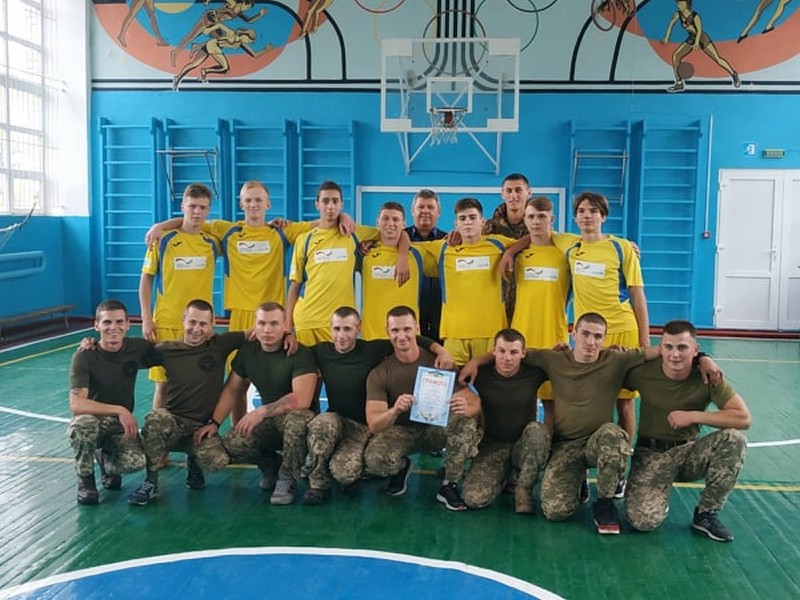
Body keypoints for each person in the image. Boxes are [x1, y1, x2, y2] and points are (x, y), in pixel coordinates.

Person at [304, 306, 454, 504]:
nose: (341, 335)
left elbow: (410, 338)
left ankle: (358, 469)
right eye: (337, 328)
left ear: (358, 328)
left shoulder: (372, 350)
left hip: (363, 427)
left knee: (344, 473)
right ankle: (318, 484)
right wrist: (288, 336)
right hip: (336, 419)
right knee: (321, 424)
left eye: (347, 329)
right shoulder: (321, 351)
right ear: (330, 328)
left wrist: (441, 350)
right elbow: (297, 352)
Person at [624, 320, 750, 542]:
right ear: (661, 348)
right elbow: (609, 370)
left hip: (688, 453)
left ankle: (706, 514)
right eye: (668, 347)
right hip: (650, 455)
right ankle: (657, 498)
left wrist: (694, 416)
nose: (674, 354)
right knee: (642, 522)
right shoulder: (643, 373)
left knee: (734, 439)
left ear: (695, 350)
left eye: (682, 347)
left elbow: (743, 418)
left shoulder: (708, 376)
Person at [565, 191, 650, 497]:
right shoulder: (570, 250)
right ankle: (580, 473)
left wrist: (644, 339)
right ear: (575, 217)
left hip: (621, 330)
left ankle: (619, 470)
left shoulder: (621, 247)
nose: (587, 215)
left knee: (624, 402)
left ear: (603, 216)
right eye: (582, 211)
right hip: (588, 336)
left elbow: (638, 295)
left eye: (593, 211)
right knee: (586, 401)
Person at [194, 302, 318, 505]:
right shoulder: (247, 352)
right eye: (262, 323)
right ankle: (272, 467)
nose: (267, 329)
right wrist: (214, 422)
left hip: (300, 423)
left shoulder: (299, 353)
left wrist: (261, 411)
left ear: (285, 325)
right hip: (269, 421)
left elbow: (301, 400)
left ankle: (287, 478)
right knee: (234, 441)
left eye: (274, 324)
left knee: (297, 421)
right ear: (255, 325)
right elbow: (233, 389)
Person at [363, 305, 480, 511]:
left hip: (436, 429)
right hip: (403, 431)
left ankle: (449, 484)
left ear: (417, 328)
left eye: (407, 329)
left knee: (464, 420)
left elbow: (474, 402)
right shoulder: (380, 373)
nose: (401, 336)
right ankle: (401, 467)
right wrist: (394, 410)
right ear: (387, 332)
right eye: (395, 330)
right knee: (374, 460)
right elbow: (374, 424)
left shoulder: (440, 362)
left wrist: (467, 407)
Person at [127, 299, 243, 506]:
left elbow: (255, 334)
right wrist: (92, 346)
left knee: (217, 461)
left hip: (201, 428)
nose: (196, 329)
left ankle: (194, 462)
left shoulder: (221, 344)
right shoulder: (166, 350)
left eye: (203, 324)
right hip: (174, 425)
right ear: (183, 320)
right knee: (156, 419)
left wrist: (288, 335)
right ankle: (150, 482)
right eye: (192, 322)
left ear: (213, 324)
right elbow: (126, 354)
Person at [67, 300, 161, 505]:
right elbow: (77, 405)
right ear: (96, 325)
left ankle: (105, 460)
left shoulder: (137, 348)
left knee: (135, 462)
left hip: (119, 426)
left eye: (119, 322)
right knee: (82, 425)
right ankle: (86, 481)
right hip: (95, 421)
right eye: (107, 322)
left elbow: (172, 353)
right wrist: (120, 410)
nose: (113, 327)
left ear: (128, 324)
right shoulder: (85, 356)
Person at [287, 180, 402, 346]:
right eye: (325, 201)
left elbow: (397, 234)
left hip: (340, 324)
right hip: (307, 321)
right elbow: (294, 286)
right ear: (317, 204)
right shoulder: (304, 239)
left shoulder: (354, 233)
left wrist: (402, 255)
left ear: (341, 205)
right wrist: (287, 328)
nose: (330, 206)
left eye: (335, 201)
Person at [139, 183, 219, 411]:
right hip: (167, 323)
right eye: (192, 206)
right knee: (163, 385)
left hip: (200, 326)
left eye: (202, 207)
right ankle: (158, 429)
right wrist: (146, 318)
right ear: (182, 206)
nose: (197, 212)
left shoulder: (213, 242)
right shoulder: (162, 240)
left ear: (208, 210)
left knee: (199, 382)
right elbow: (146, 280)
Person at [416, 198, 516, 366]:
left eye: (472, 217)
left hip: (491, 331)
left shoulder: (498, 244)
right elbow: (405, 245)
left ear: (482, 222)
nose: (468, 222)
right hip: (454, 333)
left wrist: (509, 253)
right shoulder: (443, 248)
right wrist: (374, 242)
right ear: (456, 224)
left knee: (488, 380)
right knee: (451, 380)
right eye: (462, 218)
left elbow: (529, 241)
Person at [461, 329, 551, 514]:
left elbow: (565, 363)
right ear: (493, 351)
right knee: (473, 499)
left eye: (514, 352)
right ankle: (505, 476)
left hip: (523, 446)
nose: (507, 358)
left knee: (538, 432)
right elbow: (451, 378)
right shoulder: (479, 374)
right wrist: (475, 361)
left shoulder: (534, 373)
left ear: (523, 354)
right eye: (501, 351)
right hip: (492, 446)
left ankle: (523, 488)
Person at [361, 202, 432, 340]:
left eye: (395, 219)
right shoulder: (364, 253)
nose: (390, 223)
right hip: (372, 336)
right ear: (377, 222)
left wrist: (403, 254)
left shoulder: (418, 253)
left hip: (407, 338)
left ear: (404, 224)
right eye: (385, 218)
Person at [483, 173, 533, 322]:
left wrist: (510, 251)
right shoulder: (490, 228)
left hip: (528, 303)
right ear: (502, 194)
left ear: (528, 192)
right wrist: (457, 234)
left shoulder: (537, 226)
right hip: (496, 303)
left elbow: (545, 235)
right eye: (509, 191)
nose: (513, 195)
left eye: (518, 190)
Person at [662, 0, 741, 93]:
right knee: (676, 56)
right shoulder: (677, 14)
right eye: (678, 3)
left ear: (686, 4)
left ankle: (734, 74)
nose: (678, 5)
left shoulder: (695, 16)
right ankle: (679, 83)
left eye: (680, 3)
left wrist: (696, 43)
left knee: (717, 59)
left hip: (702, 38)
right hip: (691, 38)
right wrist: (667, 37)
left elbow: (699, 30)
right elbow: (671, 24)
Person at [404, 188, 447, 342]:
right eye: (421, 207)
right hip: (410, 309)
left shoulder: (449, 241)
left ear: (438, 212)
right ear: (412, 210)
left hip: (441, 310)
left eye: (430, 207)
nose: (425, 211)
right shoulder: (400, 239)